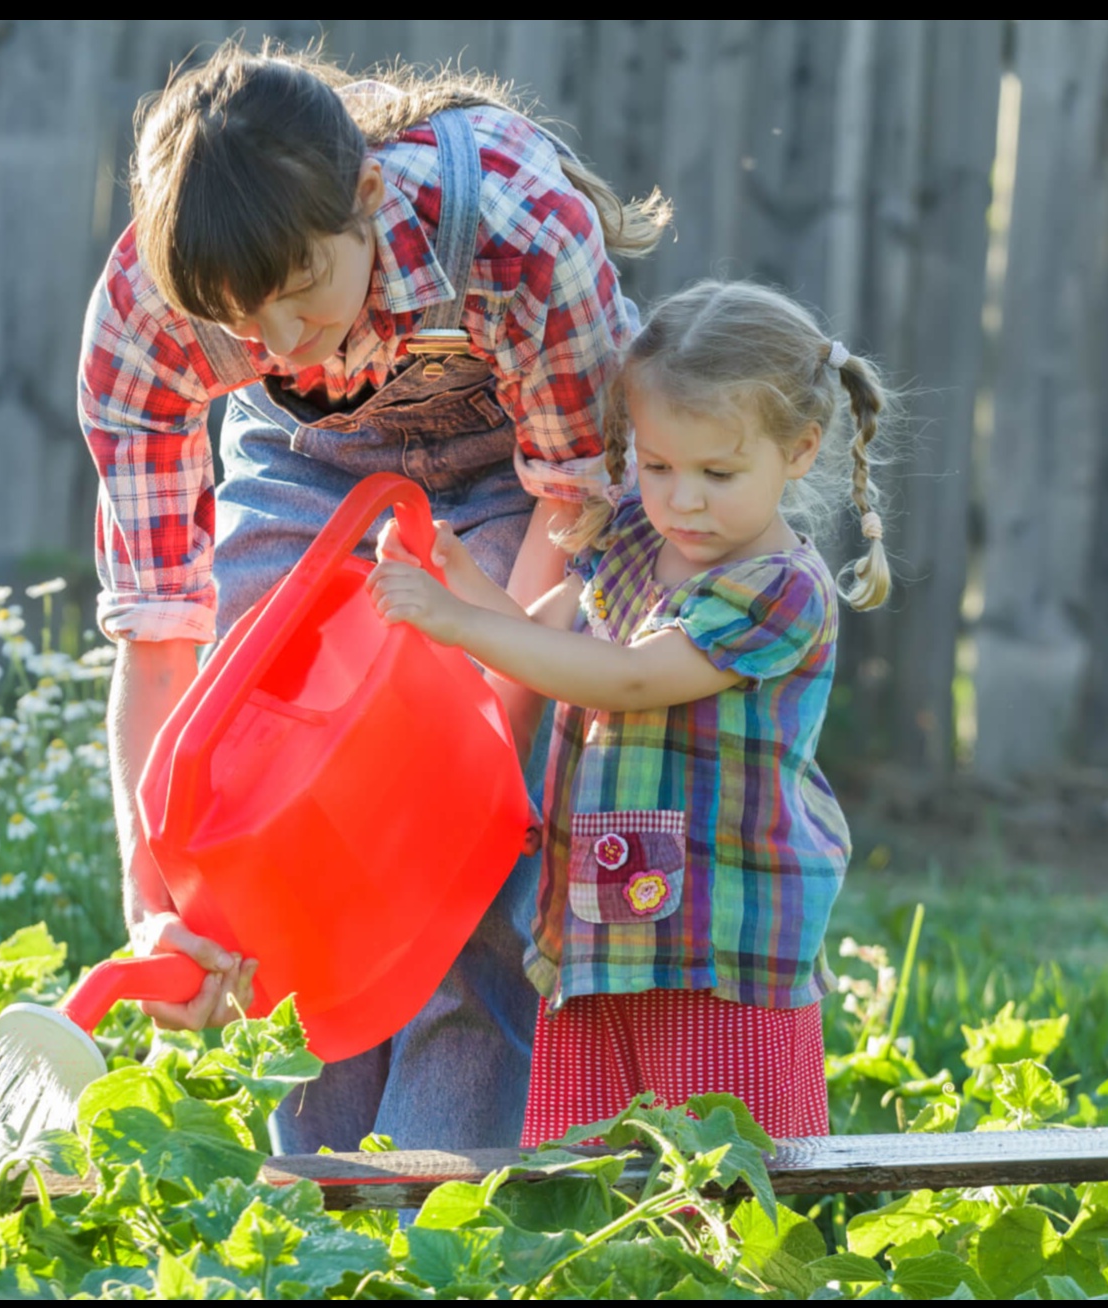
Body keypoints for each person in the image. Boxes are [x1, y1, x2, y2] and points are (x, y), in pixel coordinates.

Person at [78, 40, 667, 1152]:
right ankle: (314, 1201)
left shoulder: (516, 228)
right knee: (264, 816)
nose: (279, 341)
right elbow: (160, 642)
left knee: (473, 872)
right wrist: (157, 901)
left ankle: (434, 1203)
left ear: (364, 196)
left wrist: (468, 769)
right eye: (241, 322)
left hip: (519, 476)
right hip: (303, 461)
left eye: (300, 292)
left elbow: (572, 505)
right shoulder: (146, 322)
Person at [368, 279, 893, 1143]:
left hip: (719, 955)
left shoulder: (780, 590)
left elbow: (630, 679)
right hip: (599, 937)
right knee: (590, 1175)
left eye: (718, 473)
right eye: (656, 466)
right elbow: (542, 636)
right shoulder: (637, 543)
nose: (683, 499)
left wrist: (458, 622)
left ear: (800, 450)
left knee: (720, 1179)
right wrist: (457, 583)